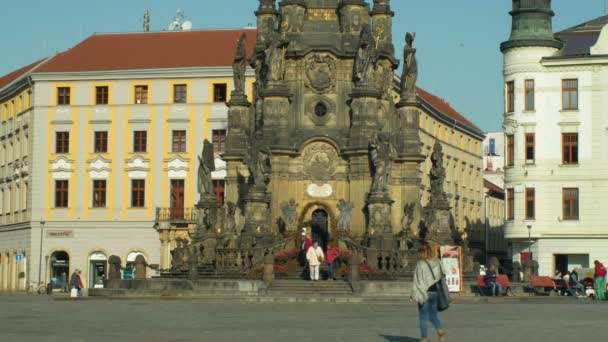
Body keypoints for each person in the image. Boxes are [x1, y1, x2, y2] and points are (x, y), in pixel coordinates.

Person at [411, 243, 447, 342]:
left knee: (423, 317)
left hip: (425, 293)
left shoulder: (420, 264)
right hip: (435, 292)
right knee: (432, 315)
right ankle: (440, 330)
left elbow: (418, 280)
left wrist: (415, 294)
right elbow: (443, 273)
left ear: (421, 252)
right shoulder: (437, 261)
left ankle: (424, 339)